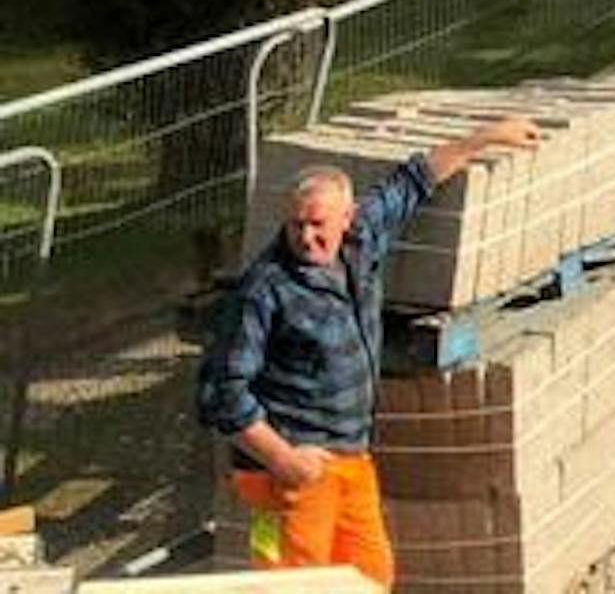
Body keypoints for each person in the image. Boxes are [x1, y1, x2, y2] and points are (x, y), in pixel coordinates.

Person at [195, 109, 546, 582]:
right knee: (294, 585)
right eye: (297, 225)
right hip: (290, 473)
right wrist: (284, 460)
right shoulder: (265, 289)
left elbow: (412, 181)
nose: (306, 237)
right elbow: (222, 394)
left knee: (369, 573)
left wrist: (483, 138)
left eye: (318, 224)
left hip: (350, 456)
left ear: (347, 217)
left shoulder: (360, 244)